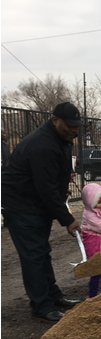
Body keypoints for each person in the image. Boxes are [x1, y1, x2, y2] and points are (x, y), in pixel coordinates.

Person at [1, 102, 83, 323]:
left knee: (41, 251)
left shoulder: (61, 138)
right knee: (34, 256)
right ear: (55, 120)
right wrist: (68, 219)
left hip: (36, 202)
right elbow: (45, 188)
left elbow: (55, 175)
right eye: (69, 125)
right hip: (21, 205)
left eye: (77, 125)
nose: (74, 129)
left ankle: (53, 297)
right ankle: (41, 306)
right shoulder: (42, 144)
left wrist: (61, 185)